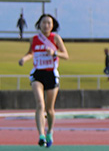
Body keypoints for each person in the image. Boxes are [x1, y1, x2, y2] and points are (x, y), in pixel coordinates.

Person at [18, 14, 69, 148]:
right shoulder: (34, 39)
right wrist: (24, 59)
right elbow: (31, 53)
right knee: (40, 104)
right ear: (39, 24)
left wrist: (54, 53)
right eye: (43, 22)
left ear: (52, 25)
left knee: (49, 109)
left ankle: (50, 132)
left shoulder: (56, 38)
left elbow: (66, 55)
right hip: (38, 74)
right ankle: (41, 135)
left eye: (49, 23)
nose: (46, 25)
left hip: (51, 74)